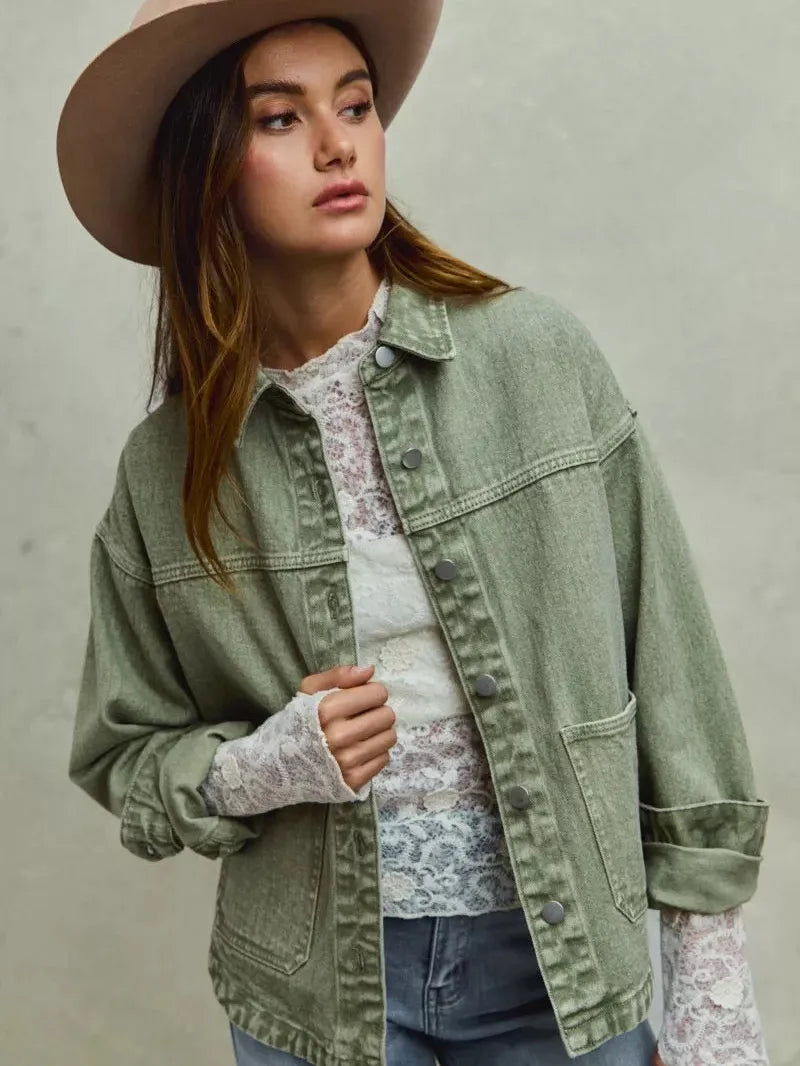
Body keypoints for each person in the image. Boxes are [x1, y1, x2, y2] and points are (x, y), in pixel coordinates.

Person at [57, 2, 770, 1064]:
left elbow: (668, 657)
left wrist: (710, 980)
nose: (338, 145)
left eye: (355, 105)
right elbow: (125, 745)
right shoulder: (166, 472)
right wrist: (258, 767)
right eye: (280, 118)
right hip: (315, 990)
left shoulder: (536, 358)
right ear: (202, 166)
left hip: (558, 963)